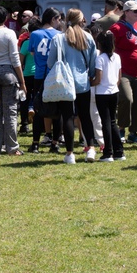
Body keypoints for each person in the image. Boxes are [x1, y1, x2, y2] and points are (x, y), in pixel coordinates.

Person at [49, 9, 97, 164]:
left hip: (64, 83)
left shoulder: (58, 38)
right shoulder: (88, 37)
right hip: (83, 82)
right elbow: (92, 62)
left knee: (67, 117)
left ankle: (70, 153)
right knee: (85, 116)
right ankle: (90, 147)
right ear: (81, 20)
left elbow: (51, 63)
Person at [0, 6, 27, 157]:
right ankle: (12, 147)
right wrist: (22, 81)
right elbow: (15, 58)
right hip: (8, 72)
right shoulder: (9, 33)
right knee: (10, 112)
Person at [111, 0, 137, 143]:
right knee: (127, 99)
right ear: (126, 12)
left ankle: (134, 132)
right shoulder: (117, 28)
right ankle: (121, 129)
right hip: (123, 70)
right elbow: (109, 45)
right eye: (135, 11)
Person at [28, 8, 62, 153]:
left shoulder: (35, 34)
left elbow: (32, 52)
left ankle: (35, 143)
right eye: (58, 19)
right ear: (53, 19)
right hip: (54, 75)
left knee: (38, 108)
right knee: (58, 109)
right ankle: (54, 143)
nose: (59, 22)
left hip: (39, 75)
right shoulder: (60, 35)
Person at [93, 30, 124, 162]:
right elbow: (119, 77)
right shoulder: (117, 57)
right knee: (112, 121)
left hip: (102, 93)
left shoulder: (100, 59)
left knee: (105, 122)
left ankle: (108, 152)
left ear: (99, 44)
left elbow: (98, 79)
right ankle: (119, 152)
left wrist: (89, 82)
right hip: (114, 91)